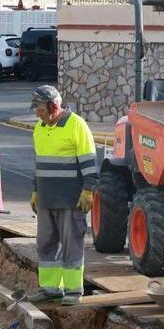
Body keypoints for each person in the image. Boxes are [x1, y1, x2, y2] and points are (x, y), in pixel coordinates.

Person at [28, 85, 97, 305]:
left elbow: (89, 162)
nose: (36, 112)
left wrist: (88, 190)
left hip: (71, 200)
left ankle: (74, 290)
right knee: (46, 244)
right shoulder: (39, 128)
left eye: (39, 108)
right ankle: (50, 289)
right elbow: (39, 163)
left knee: (71, 244)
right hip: (47, 199)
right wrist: (36, 190)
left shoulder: (77, 125)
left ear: (53, 106)